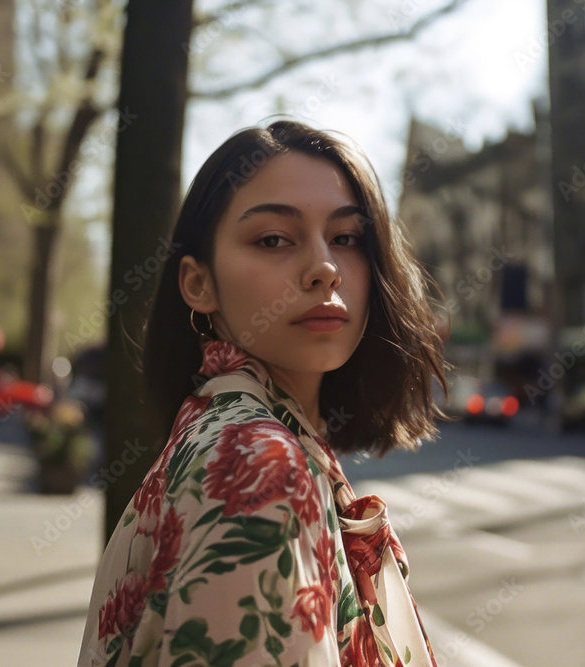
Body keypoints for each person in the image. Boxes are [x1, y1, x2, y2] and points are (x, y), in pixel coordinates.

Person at [77, 119, 453, 666]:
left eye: (346, 239)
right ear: (198, 283)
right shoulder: (256, 465)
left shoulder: (225, 433)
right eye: (274, 239)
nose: (325, 268)